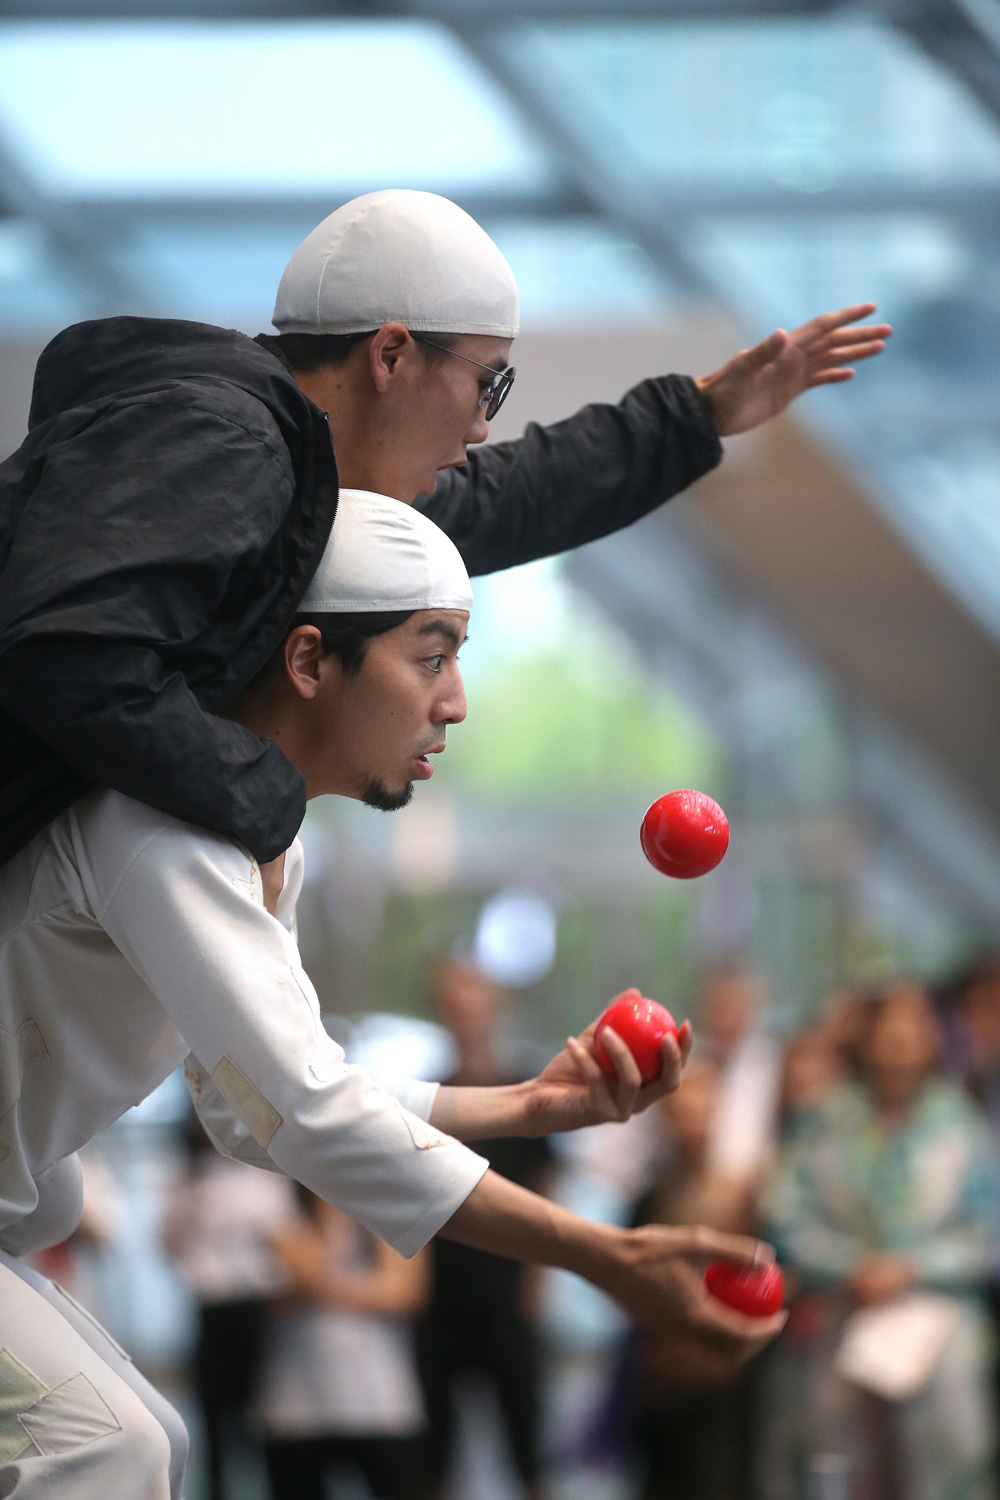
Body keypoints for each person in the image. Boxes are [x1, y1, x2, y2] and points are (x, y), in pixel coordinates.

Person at [0, 489, 782, 1498]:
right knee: (109, 1447)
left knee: (153, 1439)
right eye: (431, 656)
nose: (455, 700)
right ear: (309, 659)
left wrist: (524, 1104)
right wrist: (606, 1255)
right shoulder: (166, 826)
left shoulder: (263, 843)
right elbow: (303, 1108)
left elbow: (245, 1108)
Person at [0, 187, 890, 874]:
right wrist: (270, 791)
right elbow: (75, 657)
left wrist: (693, 419)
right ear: (391, 355)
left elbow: (505, 499)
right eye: (488, 382)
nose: (482, 425)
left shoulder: (290, 475)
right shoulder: (229, 440)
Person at [760, 983, 999, 1500]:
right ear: (866, 1036)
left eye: (915, 1026)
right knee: (836, 1467)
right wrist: (850, 1267)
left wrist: (911, 1268)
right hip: (843, 1319)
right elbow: (784, 1215)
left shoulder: (961, 1122)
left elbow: (986, 1233)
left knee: (948, 1468)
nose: (901, 1041)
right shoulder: (823, 1118)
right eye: (889, 1026)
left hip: (938, 1326)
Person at [416, 958, 555, 1500]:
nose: (466, 1013)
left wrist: (536, 1285)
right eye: (455, 1003)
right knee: (433, 1458)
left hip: (507, 1298)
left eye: (474, 1000)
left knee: (528, 1452)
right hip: (442, 1300)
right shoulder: (428, 1098)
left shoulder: (527, 1091)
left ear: (495, 1008)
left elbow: (545, 1190)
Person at [254, 1190, 430, 1500]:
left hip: (381, 1401)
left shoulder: (388, 1199)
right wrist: (331, 1209)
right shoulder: (276, 1200)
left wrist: (317, 1291)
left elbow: (406, 1291)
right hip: (294, 1406)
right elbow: (305, 1273)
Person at [163, 1119, 298, 1500]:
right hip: (212, 1309)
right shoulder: (190, 1179)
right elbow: (170, 1243)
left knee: (263, 1416)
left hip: (257, 1309)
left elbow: (286, 1239)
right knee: (214, 1419)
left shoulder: (265, 1175)